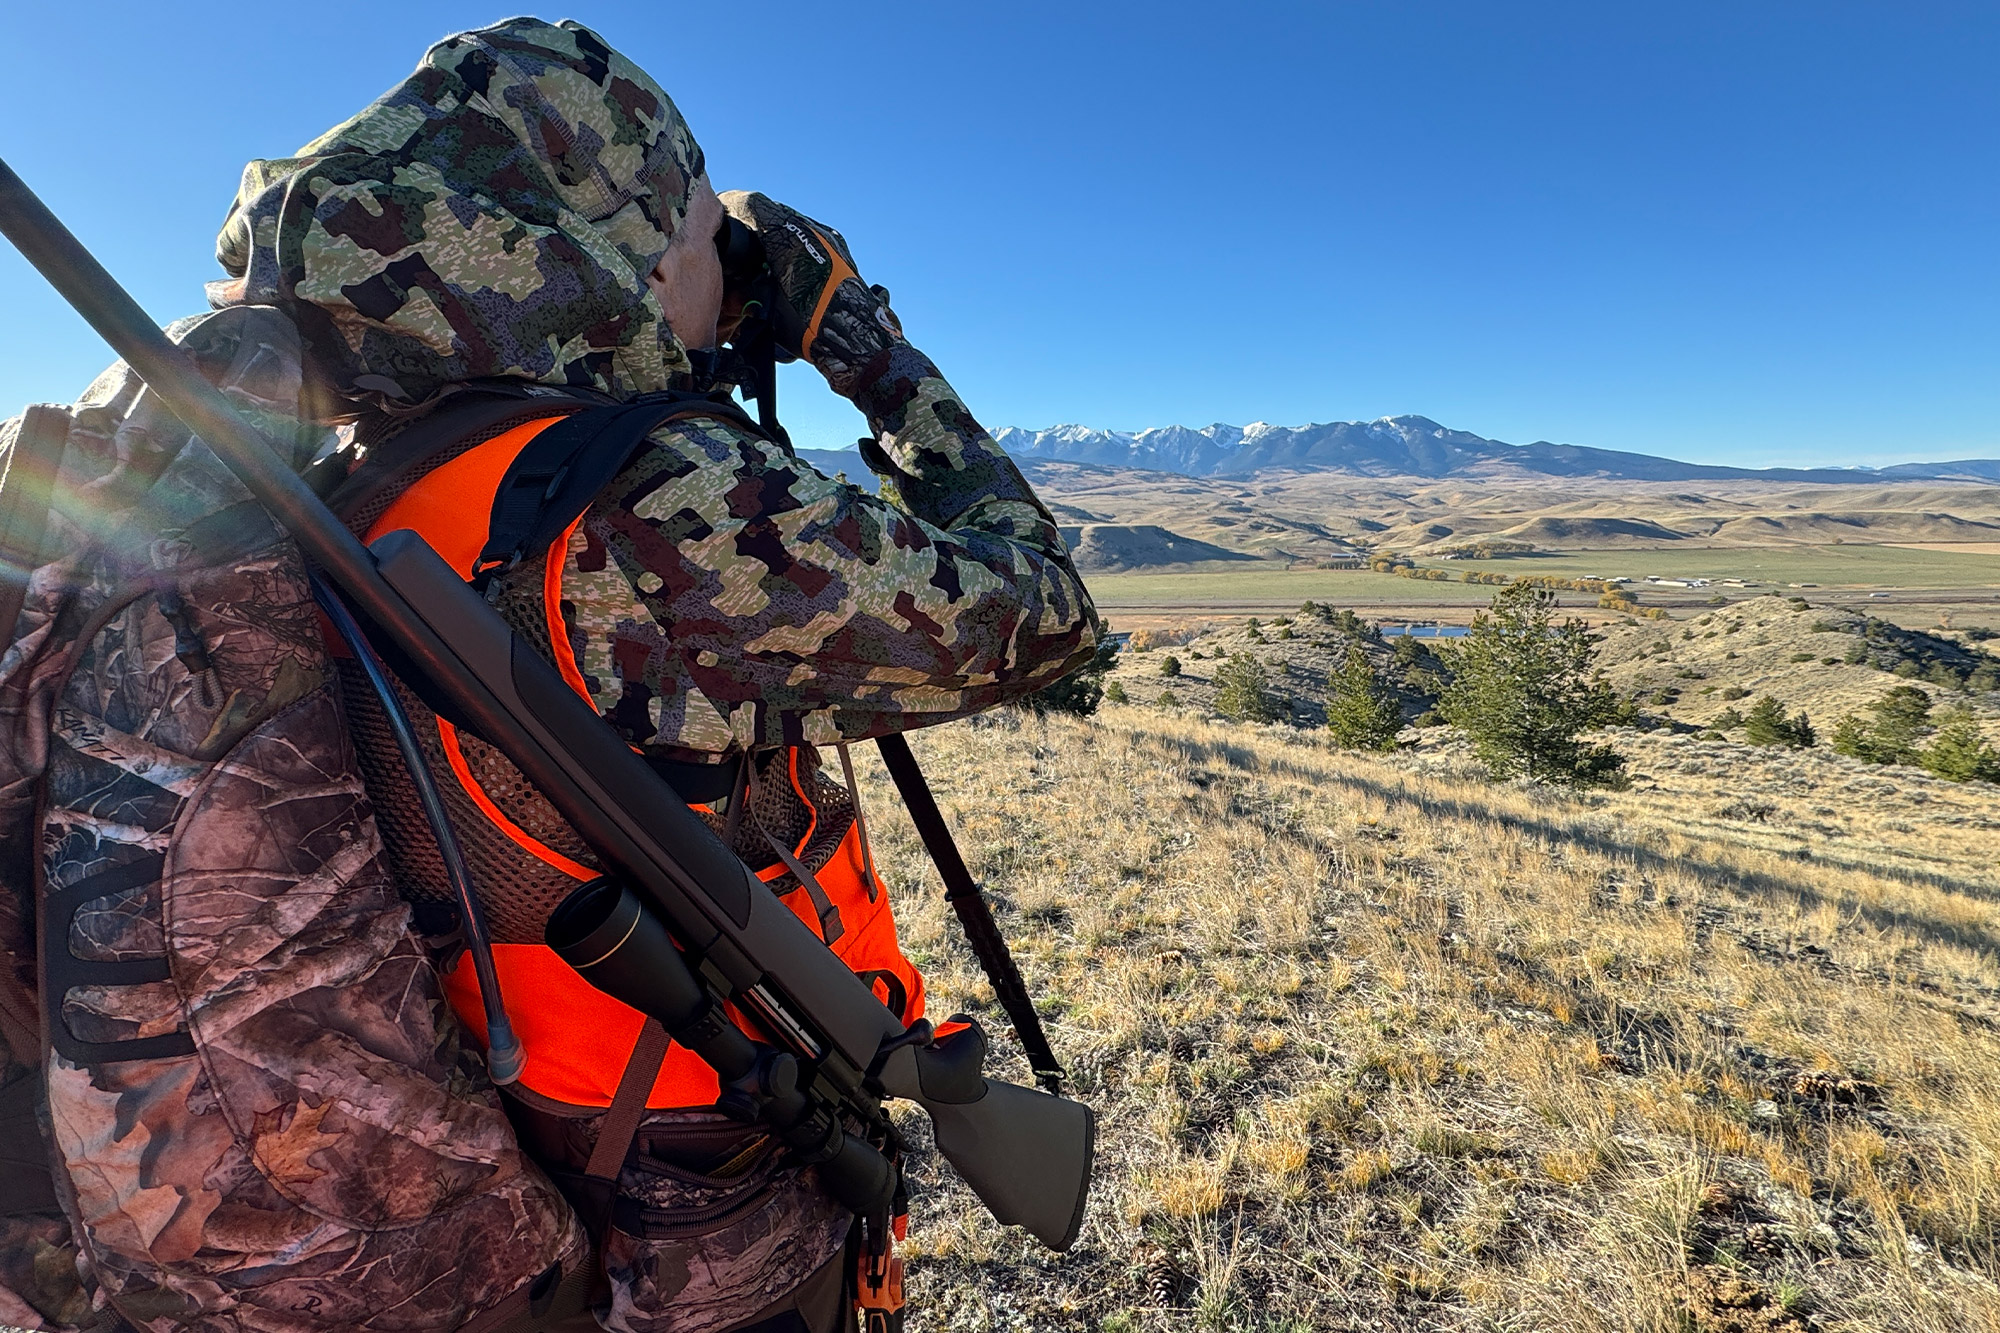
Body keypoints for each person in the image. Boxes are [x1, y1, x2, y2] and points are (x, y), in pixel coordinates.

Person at [0, 15, 1098, 1333]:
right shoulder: (653, 498)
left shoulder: (336, 486)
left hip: (538, 1174)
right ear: (607, 233)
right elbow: (1041, 605)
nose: (718, 270)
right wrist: (857, 337)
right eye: (699, 229)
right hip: (716, 1207)